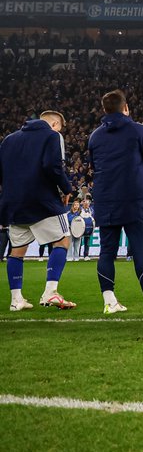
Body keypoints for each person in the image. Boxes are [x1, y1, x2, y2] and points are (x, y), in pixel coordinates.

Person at [87, 89, 143, 313]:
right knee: (141, 250)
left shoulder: (95, 136)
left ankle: (109, 301)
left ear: (105, 110)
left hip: (106, 199)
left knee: (107, 251)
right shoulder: (138, 129)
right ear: (125, 108)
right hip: (134, 198)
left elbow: (94, 166)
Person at [0, 109, 76, 311]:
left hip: (13, 203)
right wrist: (67, 188)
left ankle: (16, 300)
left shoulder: (9, 140)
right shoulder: (52, 136)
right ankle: (50, 292)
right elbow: (52, 166)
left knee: (16, 251)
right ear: (54, 124)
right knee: (62, 240)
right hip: (42, 201)